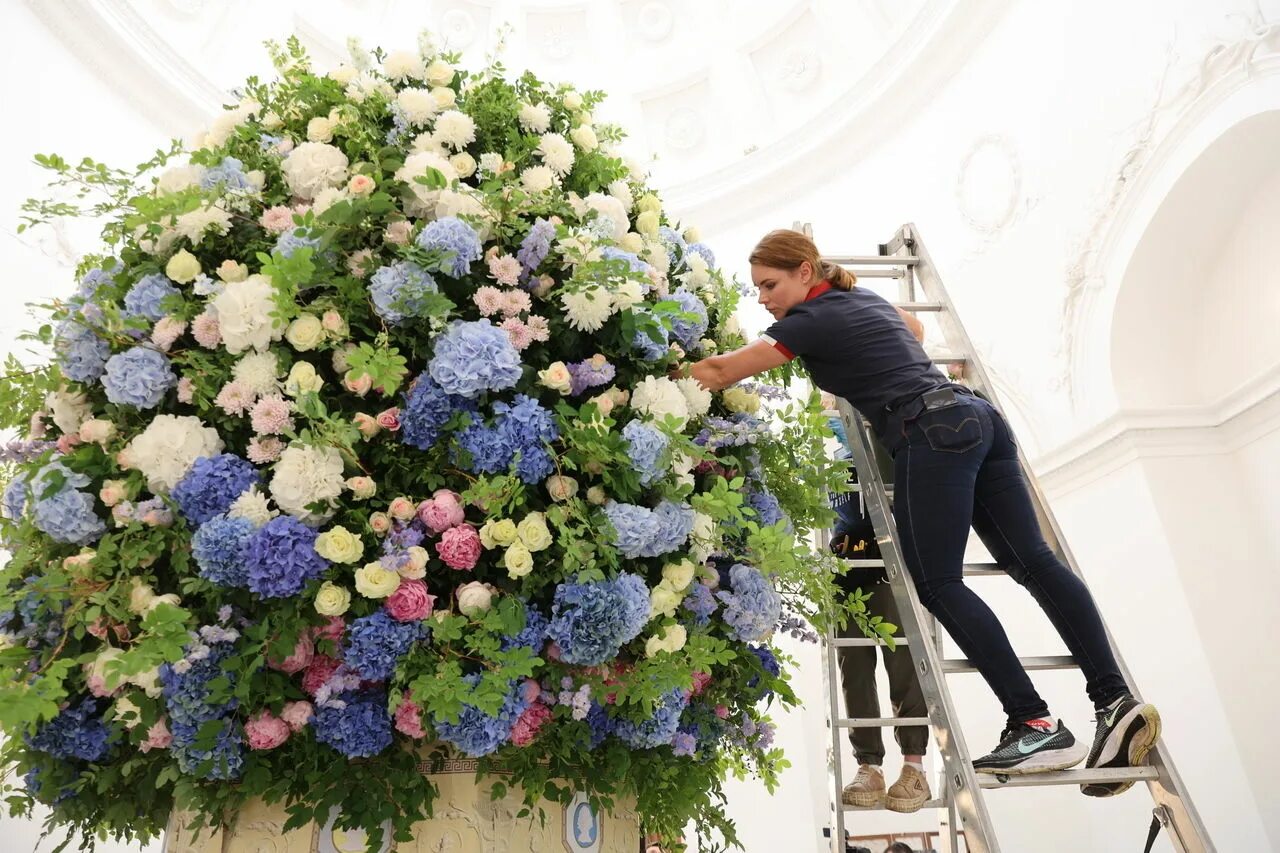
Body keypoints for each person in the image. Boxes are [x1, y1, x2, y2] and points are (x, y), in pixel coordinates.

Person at [682, 229, 1160, 794]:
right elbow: (912, 328)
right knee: (1033, 561)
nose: (762, 298)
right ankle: (1113, 699)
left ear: (806, 272)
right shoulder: (861, 300)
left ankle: (1033, 724)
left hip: (928, 431)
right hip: (977, 418)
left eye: (770, 284)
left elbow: (718, 374)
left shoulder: (808, 321)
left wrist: (645, 382)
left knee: (936, 583)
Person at [824, 404, 931, 814]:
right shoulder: (835, 454)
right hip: (847, 564)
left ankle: (914, 765)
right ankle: (868, 764)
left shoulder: (886, 429)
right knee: (854, 667)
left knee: (903, 661)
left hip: (889, 561)